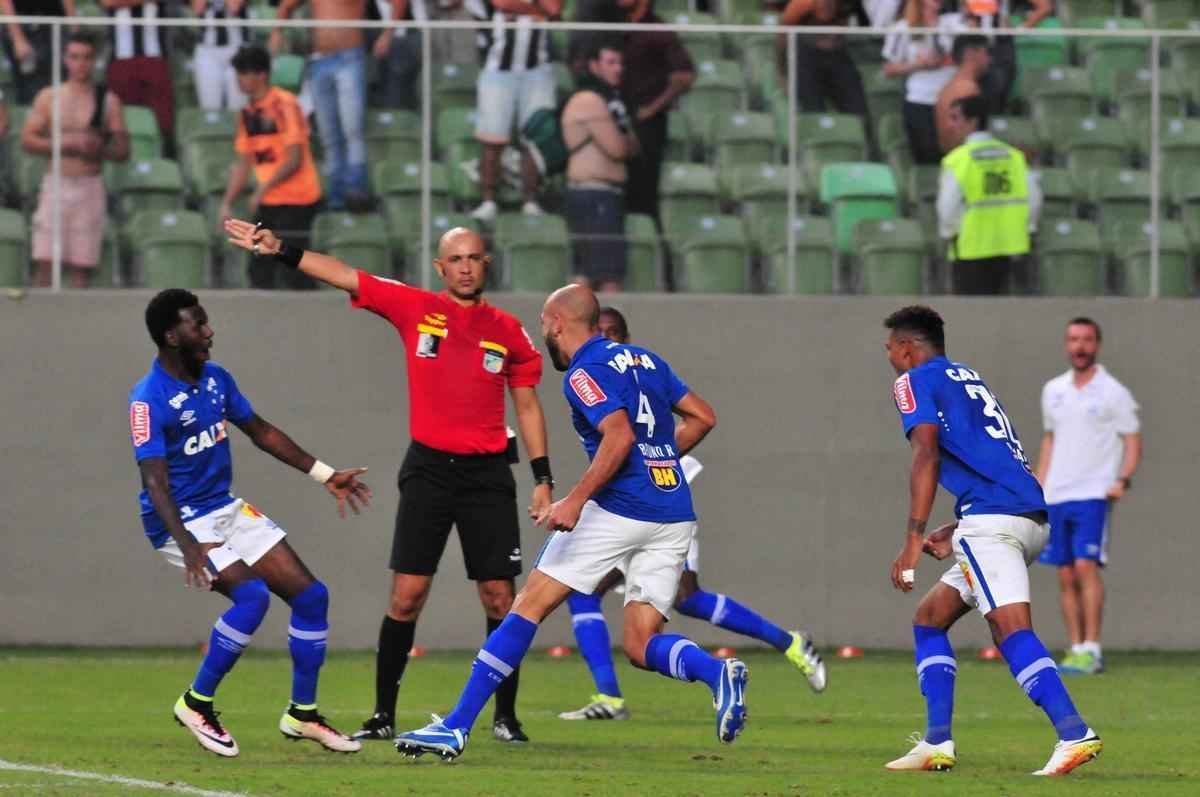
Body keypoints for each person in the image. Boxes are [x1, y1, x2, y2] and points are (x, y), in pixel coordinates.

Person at [222, 217, 555, 745]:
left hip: (488, 474)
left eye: (475, 258)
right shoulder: (416, 306)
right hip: (428, 470)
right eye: (456, 259)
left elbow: (530, 406)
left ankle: (504, 716)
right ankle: (382, 714)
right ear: (440, 267)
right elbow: (345, 276)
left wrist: (543, 478)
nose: (465, 267)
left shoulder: (508, 330)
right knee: (406, 597)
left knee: (499, 597)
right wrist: (280, 249)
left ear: (486, 265)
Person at [392, 283, 747, 761]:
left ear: (557, 322)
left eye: (544, 325)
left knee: (526, 608)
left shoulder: (582, 373)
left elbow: (617, 434)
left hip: (618, 511)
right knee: (642, 645)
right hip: (673, 514)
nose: (544, 335)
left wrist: (575, 500)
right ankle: (715, 673)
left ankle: (455, 726)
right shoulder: (646, 360)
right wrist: (654, 463)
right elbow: (704, 417)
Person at [129, 288, 371, 757]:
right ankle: (196, 703)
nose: (208, 331)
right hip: (178, 520)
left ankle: (302, 714)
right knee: (252, 597)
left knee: (311, 597)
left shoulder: (217, 379)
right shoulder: (147, 399)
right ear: (171, 336)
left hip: (223, 507)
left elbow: (260, 431)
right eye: (197, 324)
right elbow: (156, 484)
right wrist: (188, 544)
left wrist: (324, 474)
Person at [559, 307, 826, 722]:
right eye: (600, 331)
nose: (605, 339)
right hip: (636, 506)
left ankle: (785, 644)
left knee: (679, 599)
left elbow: (681, 425)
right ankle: (611, 696)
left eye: (613, 333)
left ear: (623, 339)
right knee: (644, 597)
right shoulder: (611, 378)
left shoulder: (636, 377)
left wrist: (650, 464)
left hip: (657, 507)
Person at [880, 305, 1101, 776]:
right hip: (1026, 515)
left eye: (890, 349)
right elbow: (991, 456)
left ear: (906, 347)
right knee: (930, 619)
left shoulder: (912, 381)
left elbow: (925, 452)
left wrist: (913, 538)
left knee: (1011, 629)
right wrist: (957, 527)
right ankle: (937, 742)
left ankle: (1073, 732)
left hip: (994, 523)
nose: (890, 359)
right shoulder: (967, 376)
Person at [1035, 317, 1141, 676]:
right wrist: (1039, 483)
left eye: (1086, 340)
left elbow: (1132, 438)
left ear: (1097, 344)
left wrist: (1122, 479)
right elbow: (1050, 439)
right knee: (1064, 573)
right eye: (1073, 339)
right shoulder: (1053, 390)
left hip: (1093, 492)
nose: (1080, 346)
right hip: (1057, 495)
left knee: (1085, 566)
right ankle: (1076, 648)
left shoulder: (1114, 391)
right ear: (1067, 344)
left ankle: (1093, 649)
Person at [21, 33, 129, 289]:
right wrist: (64, 145)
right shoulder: (49, 96)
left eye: (87, 57)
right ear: (66, 60)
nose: (81, 64)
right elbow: (27, 139)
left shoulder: (108, 100)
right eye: (75, 57)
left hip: (90, 185)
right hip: (56, 183)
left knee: (83, 264)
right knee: (45, 260)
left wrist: (99, 149)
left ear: (95, 61)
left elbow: (123, 150)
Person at [270, 1, 400, 211]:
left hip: (349, 57)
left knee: (352, 129)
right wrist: (277, 31)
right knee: (329, 134)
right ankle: (336, 195)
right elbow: (286, 5)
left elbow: (398, 2)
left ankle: (356, 190)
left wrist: (388, 33)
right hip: (318, 61)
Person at [220, 45, 322, 290]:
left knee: (293, 268)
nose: (239, 80)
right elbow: (245, 160)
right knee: (259, 267)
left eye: (244, 74)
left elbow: (294, 158)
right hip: (270, 201)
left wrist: (260, 190)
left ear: (261, 75)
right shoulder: (247, 113)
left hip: (298, 200)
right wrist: (227, 200)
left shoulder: (285, 104)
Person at [468, 0, 562, 223]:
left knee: (534, 137)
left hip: (537, 71)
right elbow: (501, 3)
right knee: (492, 137)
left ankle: (530, 200)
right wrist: (536, 11)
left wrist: (527, 8)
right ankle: (488, 200)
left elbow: (555, 9)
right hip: (498, 71)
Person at [936, 94, 1040, 295]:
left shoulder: (959, 160)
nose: (950, 125)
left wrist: (950, 233)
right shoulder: (1014, 156)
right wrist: (1027, 227)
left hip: (971, 249)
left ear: (972, 121)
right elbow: (1034, 198)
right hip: (1011, 247)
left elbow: (947, 207)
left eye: (955, 118)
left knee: (972, 316)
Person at [561, 41, 636, 292]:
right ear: (594, 66)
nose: (619, 69)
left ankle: (581, 331)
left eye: (621, 63)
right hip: (595, 197)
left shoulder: (610, 102)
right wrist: (621, 132)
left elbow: (635, 146)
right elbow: (619, 149)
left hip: (599, 196)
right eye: (611, 63)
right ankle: (601, 332)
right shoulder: (589, 100)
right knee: (606, 277)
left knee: (587, 274)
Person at [618, 0, 694, 229]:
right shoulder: (614, 24)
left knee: (643, 196)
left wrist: (652, 109)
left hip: (646, 126)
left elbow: (685, 75)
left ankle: (655, 254)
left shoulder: (657, 29)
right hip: (617, 120)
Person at [779, 0, 873, 155]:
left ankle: (860, 155)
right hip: (806, 58)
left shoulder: (849, 4)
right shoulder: (801, 5)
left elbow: (865, 27)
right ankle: (819, 158)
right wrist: (782, 72)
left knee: (859, 114)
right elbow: (782, 35)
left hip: (837, 56)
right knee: (814, 113)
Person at [881, 0, 967, 165]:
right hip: (920, 102)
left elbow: (971, 51)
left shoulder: (952, 24)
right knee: (927, 157)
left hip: (951, 101)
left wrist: (944, 60)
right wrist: (918, 65)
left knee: (954, 156)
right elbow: (889, 69)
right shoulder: (903, 28)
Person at [101, 0, 176, 158]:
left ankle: (162, 161)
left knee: (162, 119)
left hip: (154, 58)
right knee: (120, 116)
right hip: (121, 59)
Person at [0, 0, 75, 106]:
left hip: (56, 25)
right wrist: (18, 38)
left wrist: (74, 30)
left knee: (61, 86)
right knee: (31, 90)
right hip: (24, 27)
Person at [935, 34, 990, 155]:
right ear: (970, 53)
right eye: (986, 52)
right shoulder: (968, 90)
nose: (989, 59)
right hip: (965, 163)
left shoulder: (948, 87)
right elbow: (959, 136)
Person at [192, 0, 249, 111]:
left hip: (236, 49)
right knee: (210, 107)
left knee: (237, 107)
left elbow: (234, 7)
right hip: (207, 50)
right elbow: (198, 8)